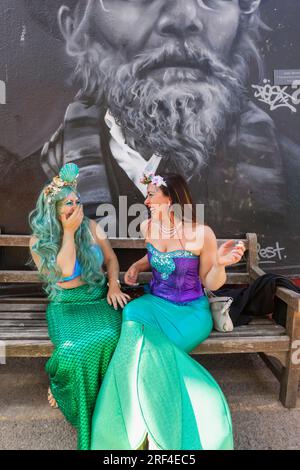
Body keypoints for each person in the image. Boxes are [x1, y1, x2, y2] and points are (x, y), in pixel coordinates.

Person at [90, 173, 245, 450]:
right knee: (131, 314)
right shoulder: (148, 226)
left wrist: (219, 263)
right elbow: (155, 255)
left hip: (190, 312)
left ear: (170, 198)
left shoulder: (201, 233)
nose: (146, 200)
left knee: (145, 353)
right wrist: (138, 266)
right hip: (155, 302)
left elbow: (210, 282)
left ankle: (148, 432)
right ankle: (138, 428)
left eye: (151, 195)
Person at [29, 162, 130, 450]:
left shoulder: (93, 227)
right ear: (53, 209)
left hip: (97, 297)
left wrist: (113, 285)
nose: (74, 207)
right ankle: (64, 390)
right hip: (66, 305)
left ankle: (111, 409)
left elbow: (110, 260)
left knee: (113, 337)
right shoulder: (40, 240)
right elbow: (61, 272)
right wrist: (70, 233)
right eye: (67, 203)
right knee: (73, 350)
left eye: (77, 201)